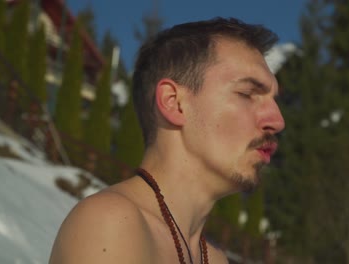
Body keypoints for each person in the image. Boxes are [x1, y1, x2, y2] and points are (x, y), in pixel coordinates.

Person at [49, 17, 285, 264]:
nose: (278, 121)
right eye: (247, 93)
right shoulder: (111, 223)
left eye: (274, 101)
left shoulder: (214, 258)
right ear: (174, 103)